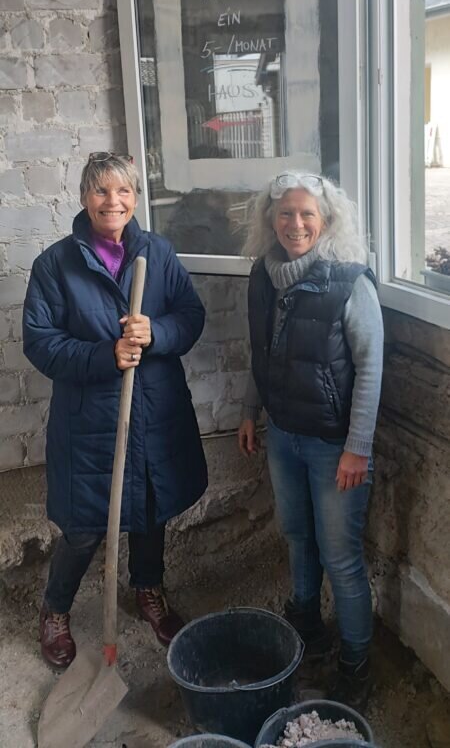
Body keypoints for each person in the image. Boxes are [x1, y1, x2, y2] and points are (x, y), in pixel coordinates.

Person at [23, 151, 207, 669]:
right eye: (101, 190)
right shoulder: (55, 265)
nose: (113, 201)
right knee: (84, 526)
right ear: (84, 197)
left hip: (154, 410)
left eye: (123, 190)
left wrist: (156, 332)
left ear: (136, 198)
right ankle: (55, 608)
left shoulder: (158, 253)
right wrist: (104, 355)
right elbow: (40, 343)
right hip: (90, 423)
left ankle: (148, 589)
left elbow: (190, 316)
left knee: (151, 510)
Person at [238, 171, 383, 708]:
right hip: (283, 436)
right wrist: (250, 410)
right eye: (285, 213)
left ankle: (356, 665)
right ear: (270, 220)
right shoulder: (264, 276)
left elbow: (370, 369)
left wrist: (357, 448)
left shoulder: (349, 281)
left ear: (326, 221)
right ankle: (308, 630)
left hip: (334, 447)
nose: (295, 224)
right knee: (298, 536)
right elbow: (261, 351)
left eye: (307, 214)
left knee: (340, 557)